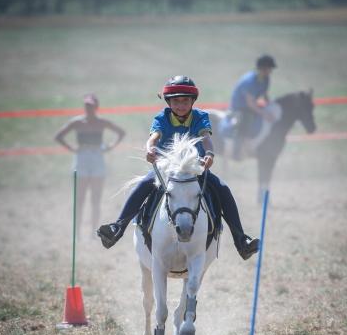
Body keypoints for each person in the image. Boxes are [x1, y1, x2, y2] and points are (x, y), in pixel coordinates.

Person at [97, 76, 259, 260]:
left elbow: (206, 139)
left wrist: (210, 154)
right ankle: (117, 227)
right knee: (143, 185)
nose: (181, 105)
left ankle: (241, 240)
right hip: (167, 169)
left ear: (192, 101)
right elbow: (153, 138)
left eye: (185, 101)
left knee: (223, 189)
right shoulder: (162, 117)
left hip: (195, 168)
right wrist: (149, 149)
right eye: (176, 101)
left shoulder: (200, 117)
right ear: (168, 102)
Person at [55, 93, 125, 237]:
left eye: (91, 106)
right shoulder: (77, 122)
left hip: (97, 157)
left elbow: (121, 133)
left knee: (95, 198)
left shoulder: (102, 122)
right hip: (81, 158)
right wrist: (72, 148)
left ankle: (93, 233)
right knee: (79, 198)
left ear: (96, 107)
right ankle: (77, 232)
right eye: (87, 106)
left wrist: (110, 146)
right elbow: (59, 136)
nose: (89, 108)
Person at [229, 54, 278, 159]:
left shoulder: (266, 79)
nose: (271, 71)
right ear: (263, 68)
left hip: (251, 105)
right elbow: (250, 104)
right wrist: (264, 114)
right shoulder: (249, 81)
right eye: (270, 68)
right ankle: (239, 151)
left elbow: (265, 96)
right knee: (247, 118)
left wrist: (270, 107)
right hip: (239, 106)